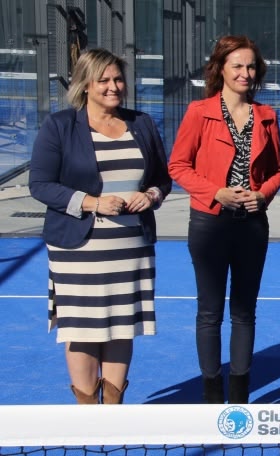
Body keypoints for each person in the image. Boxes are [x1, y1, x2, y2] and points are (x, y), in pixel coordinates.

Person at [29, 48, 171, 404]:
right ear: (85, 84)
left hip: (130, 248)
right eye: (103, 80)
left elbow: (162, 179)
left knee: (122, 326)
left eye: (118, 79)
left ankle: (113, 411)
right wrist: (92, 204)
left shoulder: (142, 123)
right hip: (78, 249)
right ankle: (88, 413)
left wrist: (150, 195)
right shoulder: (60, 126)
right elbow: (41, 185)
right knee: (82, 329)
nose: (113, 87)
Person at [168, 35, 280, 404]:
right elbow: (177, 166)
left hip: (252, 225)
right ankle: (211, 392)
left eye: (251, 66)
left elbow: (279, 171)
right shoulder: (198, 112)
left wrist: (262, 195)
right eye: (237, 65)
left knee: (244, 311)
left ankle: (238, 393)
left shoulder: (267, 116)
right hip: (209, 223)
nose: (245, 73)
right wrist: (214, 192)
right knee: (210, 310)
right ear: (220, 69)